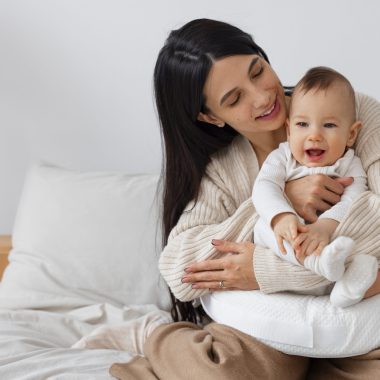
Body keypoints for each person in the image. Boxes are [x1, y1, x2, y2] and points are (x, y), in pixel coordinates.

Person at [109, 19, 380, 379]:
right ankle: (162, 341)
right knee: (223, 371)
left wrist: (264, 270)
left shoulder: (349, 111)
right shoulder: (222, 170)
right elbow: (179, 269)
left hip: (357, 318)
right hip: (266, 330)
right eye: (234, 99)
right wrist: (275, 202)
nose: (263, 97)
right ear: (209, 116)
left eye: (257, 71)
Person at [252, 66, 378, 308]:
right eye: (302, 125)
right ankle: (324, 268)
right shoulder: (282, 158)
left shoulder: (350, 165)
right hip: (289, 241)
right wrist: (282, 216)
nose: (314, 136)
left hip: (329, 241)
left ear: (351, 134)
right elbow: (264, 187)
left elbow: (355, 201)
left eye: (329, 126)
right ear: (288, 130)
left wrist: (324, 227)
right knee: (262, 226)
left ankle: (350, 281)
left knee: (353, 231)